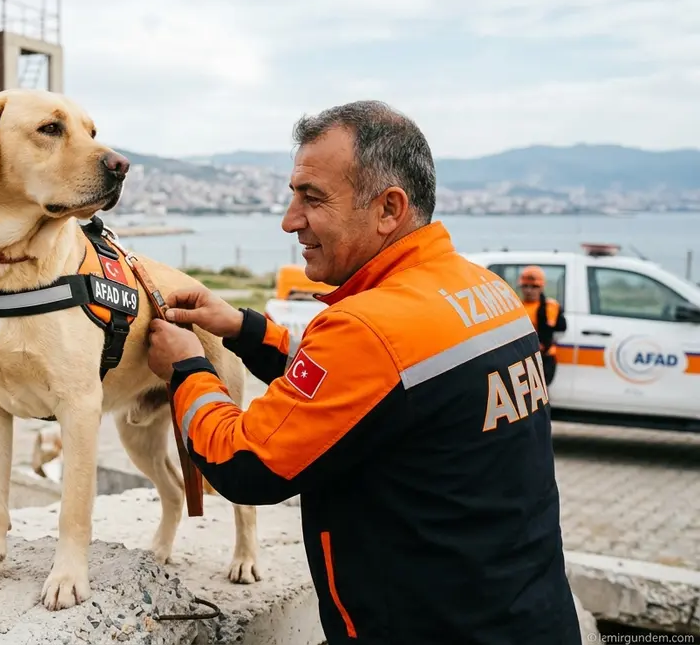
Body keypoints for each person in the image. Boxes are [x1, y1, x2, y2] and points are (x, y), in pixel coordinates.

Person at [146, 101, 580, 644]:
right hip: (530, 616)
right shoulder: (487, 290)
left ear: (388, 209)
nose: (290, 220)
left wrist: (188, 367)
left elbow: (245, 465)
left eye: (312, 198)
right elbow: (367, 391)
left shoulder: (368, 328)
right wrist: (242, 327)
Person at [520, 265, 567, 385]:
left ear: (541, 287)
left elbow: (560, 328)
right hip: (521, 359)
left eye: (534, 286)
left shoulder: (550, 306)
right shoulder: (516, 306)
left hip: (544, 358)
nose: (529, 290)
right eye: (525, 286)